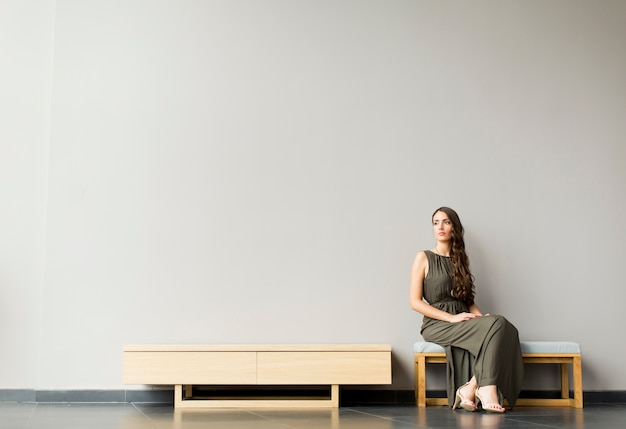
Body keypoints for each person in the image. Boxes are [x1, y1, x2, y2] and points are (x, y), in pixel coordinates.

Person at [409, 207, 523, 412]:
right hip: (438, 324)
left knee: (503, 326)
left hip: (464, 318)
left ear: (455, 227)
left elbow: (468, 300)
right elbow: (415, 302)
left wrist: (481, 318)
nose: (440, 227)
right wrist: (450, 319)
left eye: (446, 222)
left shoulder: (460, 259)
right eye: (436, 222)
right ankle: (486, 388)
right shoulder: (423, 257)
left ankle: (471, 387)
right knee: (499, 325)